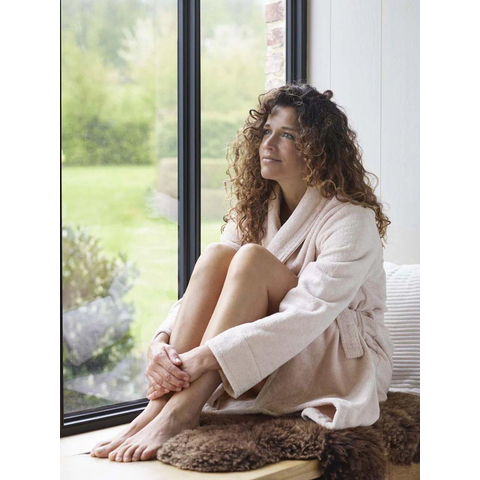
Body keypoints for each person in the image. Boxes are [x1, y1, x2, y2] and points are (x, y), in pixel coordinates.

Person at [90, 83, 394, 462]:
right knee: (219, 255)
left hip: (339, 358)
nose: (269, 144)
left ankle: (181, 411)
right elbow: (206, 289)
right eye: (267, 131)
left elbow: (306, 314)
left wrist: (206, 356)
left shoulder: (351, 219)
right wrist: (161, 342)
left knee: (250, 259)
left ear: (319, 148)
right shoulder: (256, 208)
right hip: (263, 350)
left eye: (288, 135)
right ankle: (158, 407)